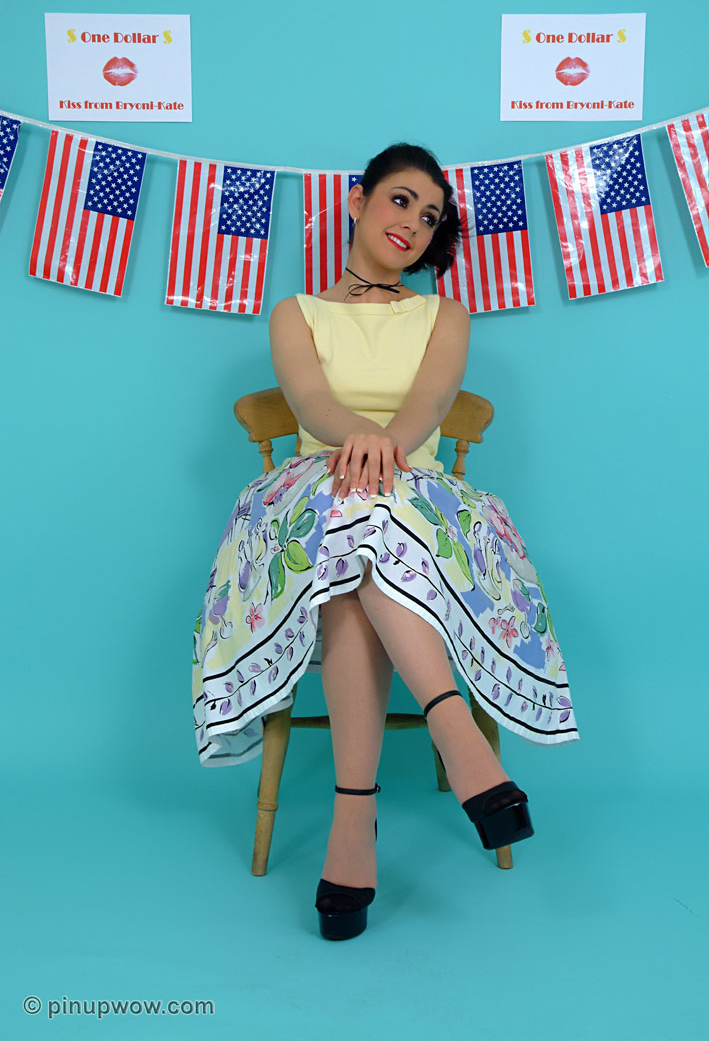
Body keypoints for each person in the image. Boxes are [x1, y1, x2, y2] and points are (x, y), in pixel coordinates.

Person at [191, 142, 579, 941]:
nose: (412, 223)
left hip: (419, 498)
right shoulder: (297, 312)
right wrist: (357, 441)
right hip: (315, 491)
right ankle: (457, 736)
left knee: (363, 526)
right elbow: (308, 401)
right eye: (400, 200)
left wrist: (384, 449)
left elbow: (430, 405)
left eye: (429, 215)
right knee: (347, 521)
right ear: (358, 201)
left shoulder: (444, 315)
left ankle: (351, 823)